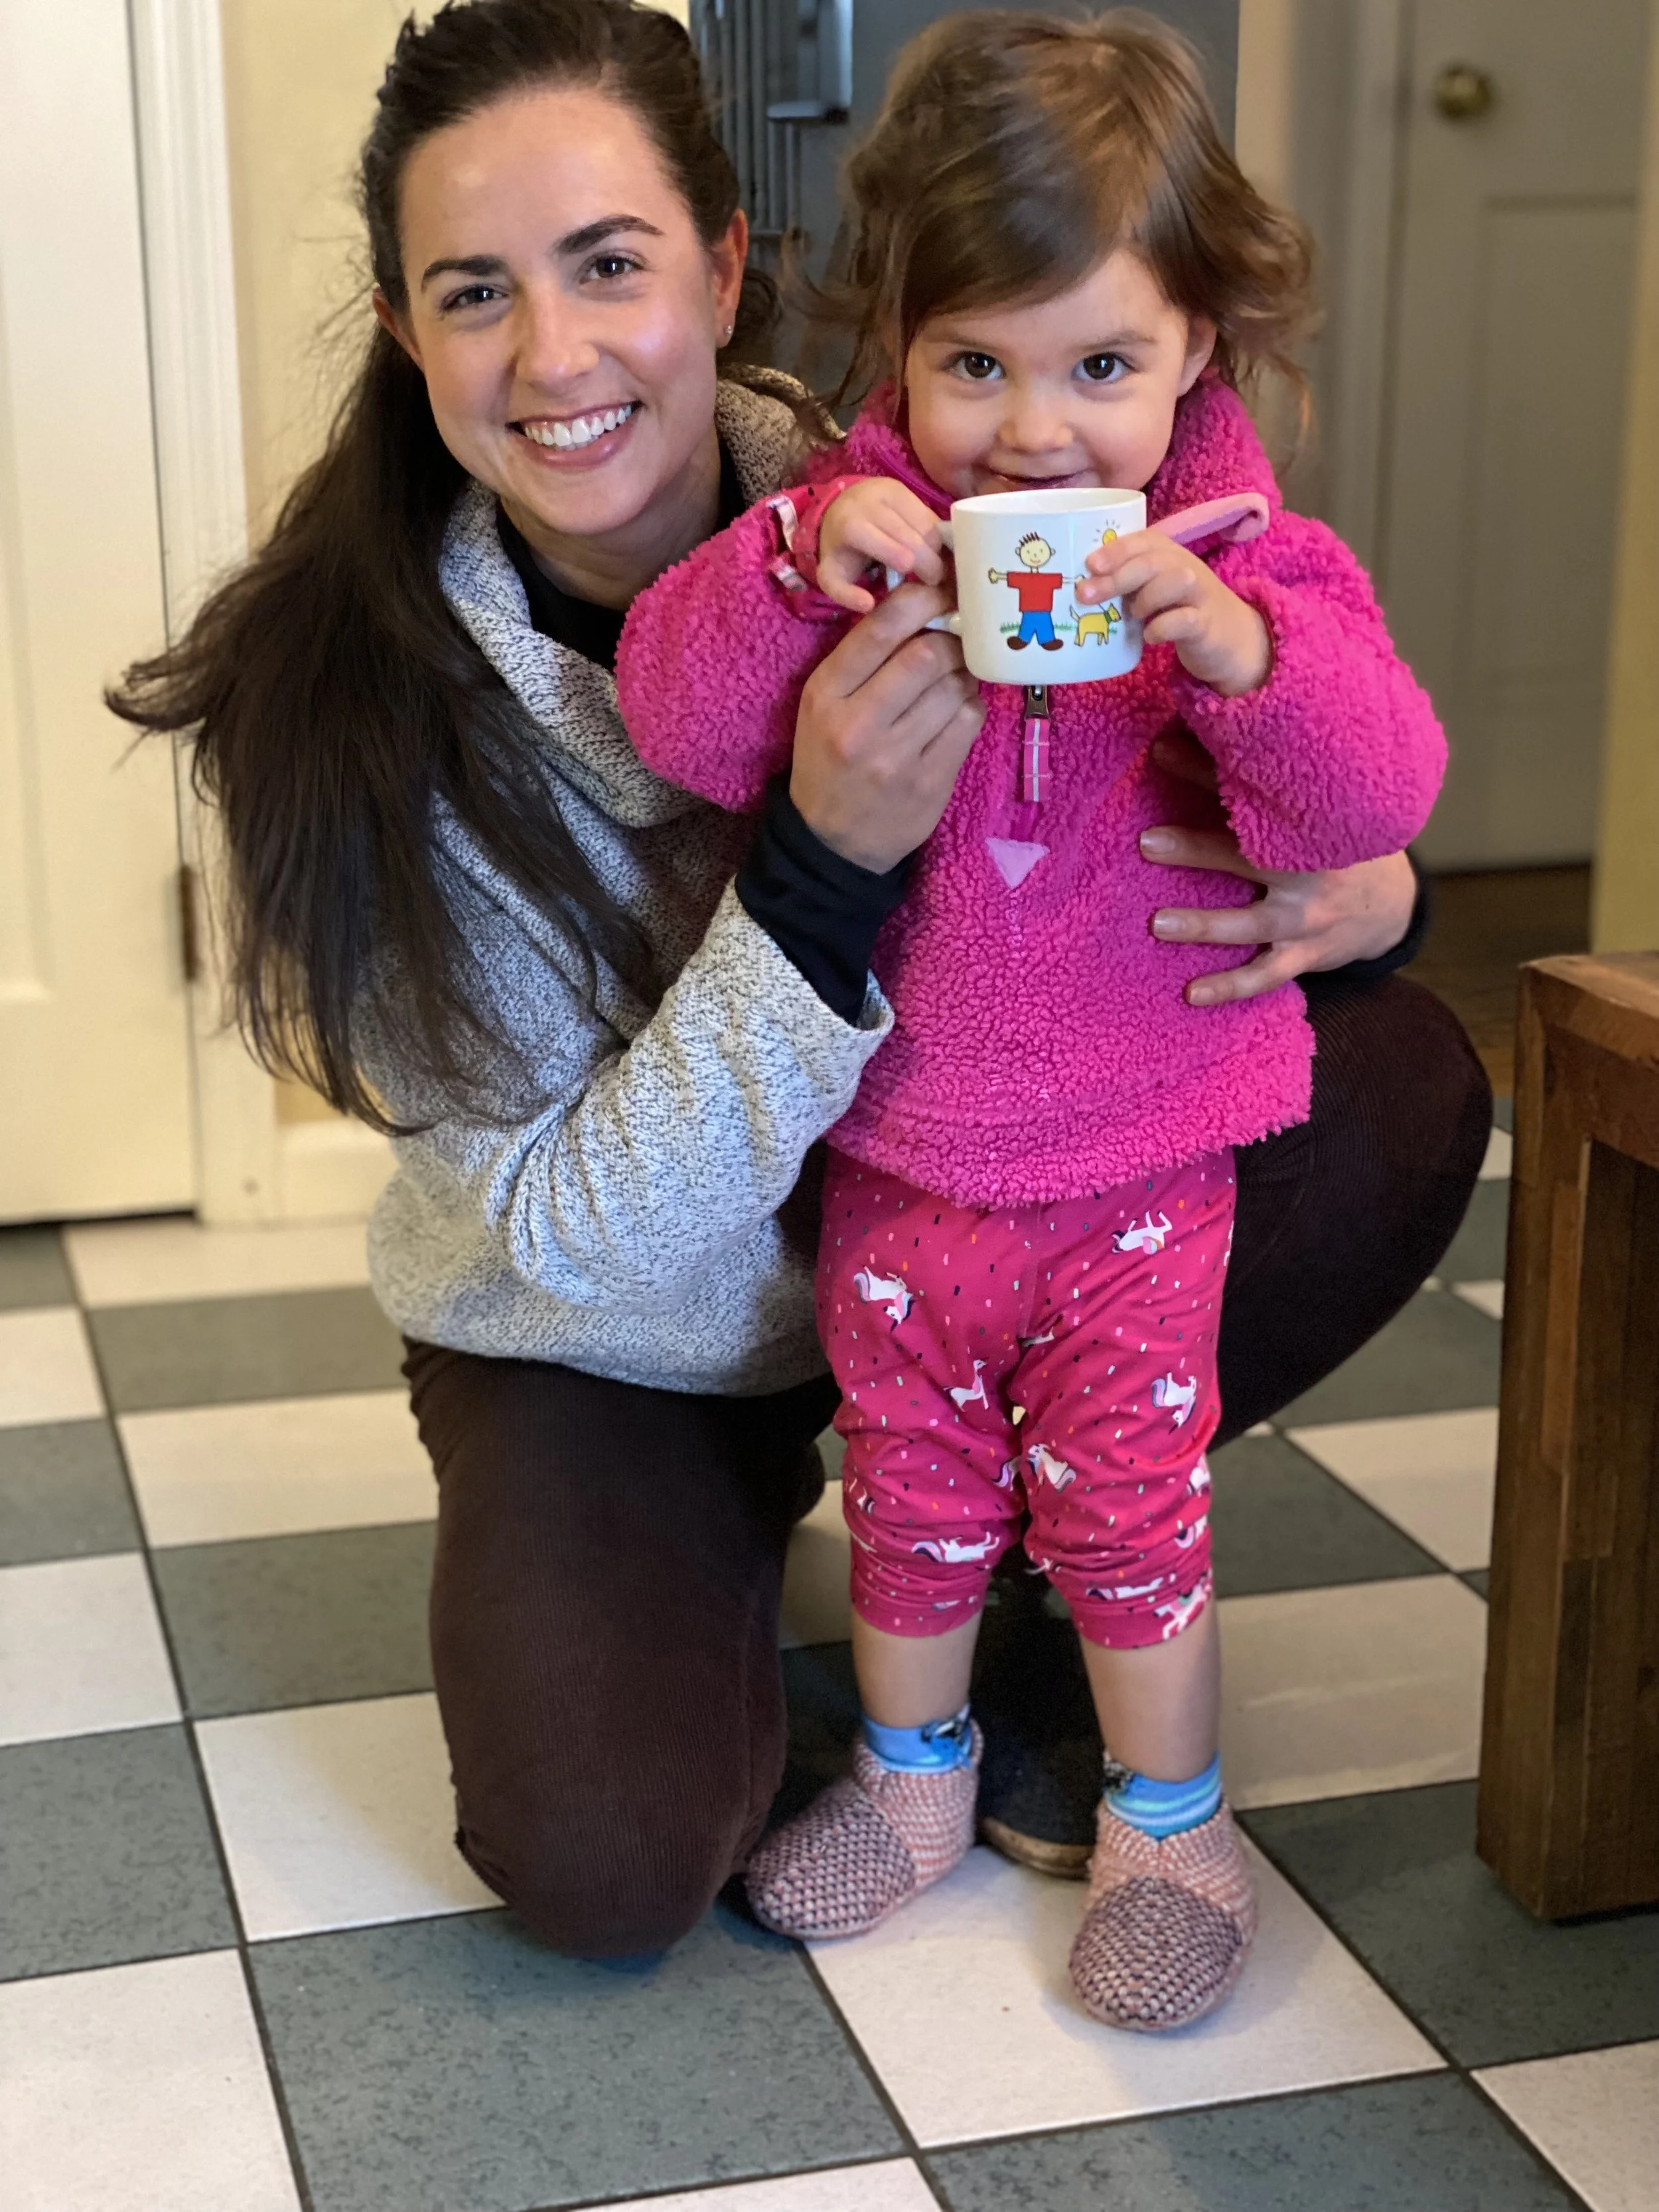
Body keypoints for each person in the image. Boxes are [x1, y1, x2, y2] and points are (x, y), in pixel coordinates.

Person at [108, 0, 1488, 1977]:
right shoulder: (387, 696)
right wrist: (824, 857)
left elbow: (1329, 758)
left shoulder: (1056, 530)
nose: (558, 353)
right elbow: (580, 1207)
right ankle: (848, 1630)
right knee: (602, 1855)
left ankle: (1081, 1663)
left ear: (727, 269)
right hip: (618, 1328)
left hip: (1005, 1200)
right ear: (407, 334)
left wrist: (1353, 880)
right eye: (475, 291)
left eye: (609, 265)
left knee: (1401, 1085)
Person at [614, 9, 1445, 2030]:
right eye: (973, 364)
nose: (1033, 433)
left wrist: (1243, 655)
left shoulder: (1264, 574)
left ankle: (1173, 1819)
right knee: (910, 1486)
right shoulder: (833, 536)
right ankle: (914, 1783)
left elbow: (1370, 797)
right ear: (895, 347)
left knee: (1128, 1499)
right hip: (903, 1157)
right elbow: (676, 711)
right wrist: (798, 561)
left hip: (1143, 1174)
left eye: (1099, 366)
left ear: (1196, 354)